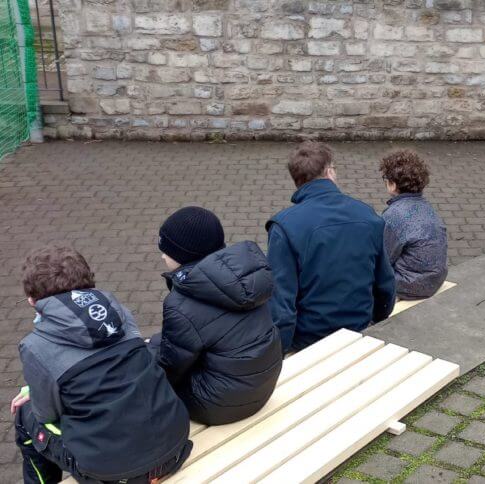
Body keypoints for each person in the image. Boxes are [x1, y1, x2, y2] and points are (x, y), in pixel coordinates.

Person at [14, 245, 191, 484]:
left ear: (32, 301)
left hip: (117, 475)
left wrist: (36, 392)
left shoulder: (35, 346)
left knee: (25, 417)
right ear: (89, 284)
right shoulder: (120, 314)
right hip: (175, 447)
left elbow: (47, 414)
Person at [153, 206, 282, 425]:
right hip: (263, 384)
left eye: (166, 249)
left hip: (219, 404)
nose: (163, 254)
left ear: (184, 254)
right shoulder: (246, 275)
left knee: (153, 356)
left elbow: (171, 368)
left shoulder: (180, 305)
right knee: (162, 341)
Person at [267, 141, 396, 352]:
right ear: (329, 172)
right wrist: (377, 320)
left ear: (297, 181)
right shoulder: (368, 215)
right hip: (359, 329)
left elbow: (281, 303)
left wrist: (281, 352)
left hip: (308, 339)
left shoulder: (284, 226)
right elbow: (385, 285)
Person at [379, 150, 448, 300]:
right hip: (436, 278)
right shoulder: (427, 207)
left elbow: (383, 258)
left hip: (411, 284)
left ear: (392, 184)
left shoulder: (394, 216)